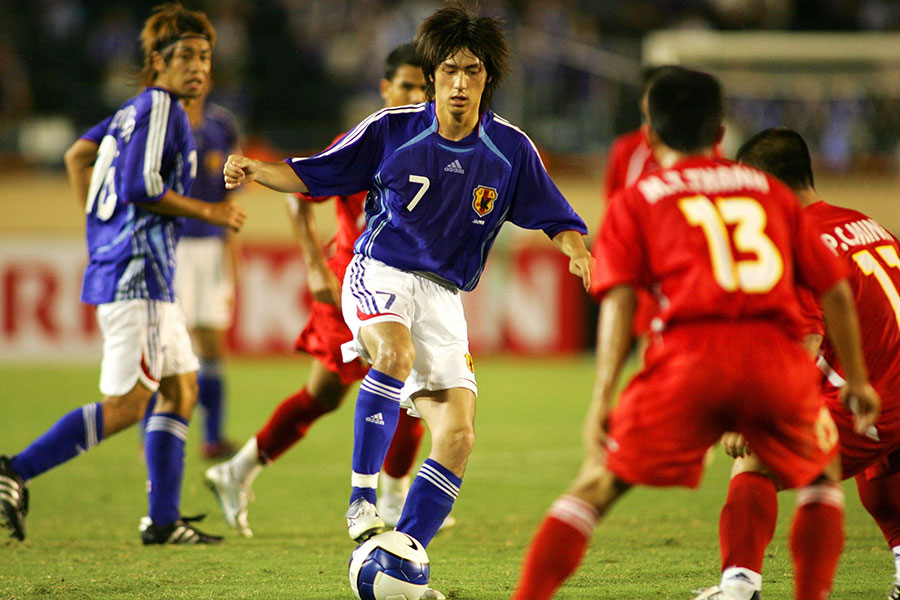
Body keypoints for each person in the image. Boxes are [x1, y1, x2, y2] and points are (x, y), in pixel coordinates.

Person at [223, 5, 592, 595]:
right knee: (392, 354)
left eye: (472, 71)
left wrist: (576, 250)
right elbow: (316, 172)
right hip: (381, 271)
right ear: (433, 74)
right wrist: (255, 169)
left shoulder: (510, 149)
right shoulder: (392, 129)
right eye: (449, 71)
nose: (460, 83)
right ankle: (361, 500)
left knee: (458, 435)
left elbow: (556, 214)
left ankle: (402, 553)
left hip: (444, 297)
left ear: (488, 79)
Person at [509, 68, 879, 600]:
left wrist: (602, 398)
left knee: (598, 485)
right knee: (822, 474)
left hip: (689, 359)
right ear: (720, 132)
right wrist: (858, 380)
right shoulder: (769, 192)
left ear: (650, 134)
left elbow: (620, 302)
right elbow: (836, 289)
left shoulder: (639, 198)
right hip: (774, 360)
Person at [0, 3, 245, 545]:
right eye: (185, 56)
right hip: (140, 277)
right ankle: (14, 470)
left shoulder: (131, 110)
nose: (198, 66)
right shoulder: (162, 108)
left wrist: (100, 229)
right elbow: (140, 187)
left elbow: (76, 156)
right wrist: (210, 212)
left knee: (181, 389)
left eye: (205, 56)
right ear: (157, 61)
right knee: (130, 404)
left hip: (139, 274)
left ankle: (163, 521)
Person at [205, 42, 442, 539]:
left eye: (424, 88)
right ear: (385, 88)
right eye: (406, 85)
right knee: (341, 392)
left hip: (407, 286)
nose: (415, 95)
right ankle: (244, 472)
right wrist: (315, 267)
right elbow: (299, 192)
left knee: (389, 386)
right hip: (355, 287)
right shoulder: (366, 139)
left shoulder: (437, 143)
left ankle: (242, 472)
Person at [693, 127, 900, 600]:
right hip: (891, 390)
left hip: (871, 401)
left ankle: (739, 586)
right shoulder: (867, 223)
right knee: (883, 472)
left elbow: (805, 337)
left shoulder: (797, 241)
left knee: (756, 459)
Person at [171, 81, 242, 459]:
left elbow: (230, 199)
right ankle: (155, 435)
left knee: (212, 344)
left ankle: (212, 437)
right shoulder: (161, 124)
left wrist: (232, 255)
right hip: (172, 245)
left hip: (212, 248)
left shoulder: (222, 125)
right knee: (168, 343)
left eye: (203, 61)